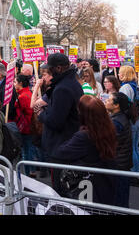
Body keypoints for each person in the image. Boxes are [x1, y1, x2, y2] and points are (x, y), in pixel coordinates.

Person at [52, 95, 117, 205]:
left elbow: (60, 153)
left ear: (84, 115)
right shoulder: (109, 128)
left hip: (87, 186)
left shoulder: (84, 136)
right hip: (105, 181)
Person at [38, 53, 84, 193]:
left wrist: (41, 114)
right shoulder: (69, 83)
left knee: (61, 190)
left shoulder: (63, 88)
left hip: (61, 146)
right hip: (66, 143)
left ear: (58, 68)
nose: (48, 73)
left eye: (50, 69)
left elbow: (55, 121)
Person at [105, 92, 133, 208]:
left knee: (118, 201)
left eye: (109, 99)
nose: (106, 100)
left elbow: (107, 141)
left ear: (116, 105)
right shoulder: (119, 118)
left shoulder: (117, 122)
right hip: (121, 164)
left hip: (118, 166)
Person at [118, 65, 139, 186]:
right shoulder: (134, 85)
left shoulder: (125, 87)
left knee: (131, 148)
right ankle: (137, 172)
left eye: (121, 73)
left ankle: (134, 174)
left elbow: (123, 105)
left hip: (131, 120)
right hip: (137, 119)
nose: (118, 74)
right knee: (135, 147)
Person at [12, 74, 36, 177]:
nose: (14, 84)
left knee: (26, 150)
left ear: (20, 83)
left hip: (26, 127)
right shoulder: (26, 93)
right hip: (27, 126)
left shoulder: (23, 96)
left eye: (15, 82)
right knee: (28, 148)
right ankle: (31, 170)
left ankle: (28, 172)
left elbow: (28, 112)